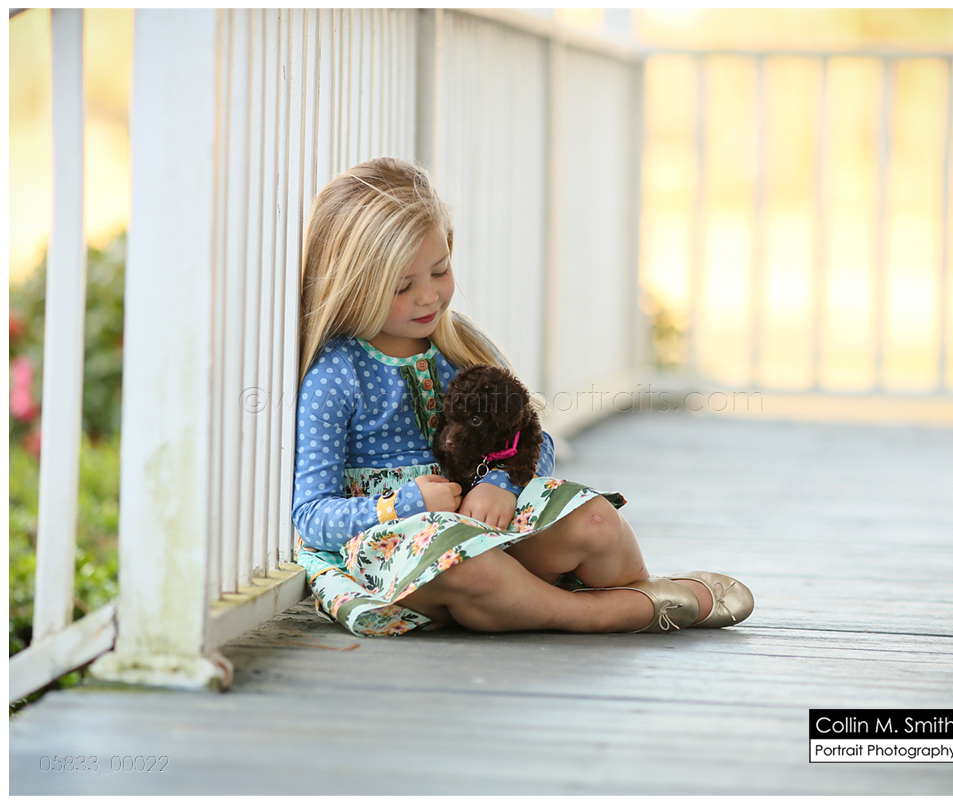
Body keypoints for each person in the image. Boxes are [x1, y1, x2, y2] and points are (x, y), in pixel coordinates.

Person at [293, 157, 753, 637]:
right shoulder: (337, 375)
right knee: (473, 569)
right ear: (353, 285)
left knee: (596, 520)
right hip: (397, 554)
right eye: (403, 287)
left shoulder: (461, 348)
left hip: (487, 524)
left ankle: (635, 588)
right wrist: (407, 503)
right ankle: (615, 612)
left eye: (440, 270)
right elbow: (311, 516)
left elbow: (533, 441)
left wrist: (501, 483)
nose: (429, 297)